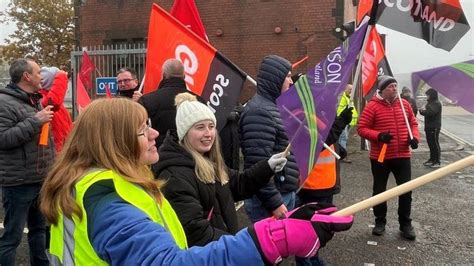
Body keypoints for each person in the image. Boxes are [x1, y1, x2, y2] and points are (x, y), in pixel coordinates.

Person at [39, 98, 354, 265]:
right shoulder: (108, 200)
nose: (153, 134)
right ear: (114, 142)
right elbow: (172, 259)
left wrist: (267, 168)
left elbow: (236, 185)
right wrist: (269, 238)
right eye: (141, 130)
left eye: (211, 126)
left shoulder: (112, 182)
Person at [154, 93, 288, 247]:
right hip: (209, 256)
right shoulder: (174, 176)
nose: (208, 133)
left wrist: (268, 167)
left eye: (211, 126)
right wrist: (239, 245)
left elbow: (239, 184)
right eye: (200, 127)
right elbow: (195, 232)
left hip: (222, 248)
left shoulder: (207, 160)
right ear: (184, 132)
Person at [0, 58, 55, 265]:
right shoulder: (4, 102)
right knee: (12, 238)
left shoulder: (34, 100)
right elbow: (3, 139)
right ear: (27, 76)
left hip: (39, 179)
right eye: (39, 72)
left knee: (39, 231)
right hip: (18, 184)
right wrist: (35, 121)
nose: (42, 76)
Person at [358, 75, 420, 241]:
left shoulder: (405, 104)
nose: (394, 88)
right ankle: (380, 222)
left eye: (395, 85)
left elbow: (413, 123)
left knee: (406, 191)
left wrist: (415, 138)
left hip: (403, 155)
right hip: (381, 157)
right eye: (390, 86)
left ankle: (405, 224)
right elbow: (362, 128)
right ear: (382, 90)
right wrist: (379, 136)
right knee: (379, 191)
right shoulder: (372, 107)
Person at [240, 55, 300, 222]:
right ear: (275, 79)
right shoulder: (259, 112)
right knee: (271, 247)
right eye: (287, 76)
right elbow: (257, 163)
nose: (291, 82)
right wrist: (274, 202)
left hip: (283, 191)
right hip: (270, 200)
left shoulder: (273, 107)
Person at [139, 59, 201, 148]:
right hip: (190, 153)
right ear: (184, 76)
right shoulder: (198, 101)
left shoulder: (147, 100)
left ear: (164, 75)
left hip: (158, 153)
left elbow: (139, 130)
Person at [39, 66, 73, 152]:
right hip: (53, 152)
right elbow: (53, 102)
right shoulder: (41, 98)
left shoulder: (58, 103)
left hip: (62, 149)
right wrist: (61, 76)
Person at [419, 88, 442, 168]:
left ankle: (437, 161)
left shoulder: (436, 103)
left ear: (431, 95)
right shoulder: (430, 103)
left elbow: (431, 113)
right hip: (429, 127)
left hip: (434, 127)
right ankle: (432, 159)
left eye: (428, 95)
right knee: (431, 144)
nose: (427, 97)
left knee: (435, 144)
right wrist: (422, 111)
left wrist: (423, 110)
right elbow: (426, 112)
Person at [336, 84, 359, 163]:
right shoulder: (343, 97)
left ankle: (340, 154)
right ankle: (343, 156)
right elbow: (339, 110)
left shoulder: (348, 97)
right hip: (343, 122)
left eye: (352, 89)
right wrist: (342, 120)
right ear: (345, 89)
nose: (351, 91)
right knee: (343, 138)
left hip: (348, 122)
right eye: (349, 89)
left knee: (343, 138)